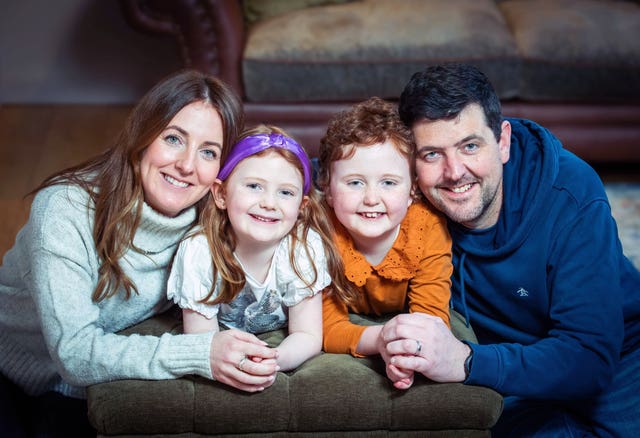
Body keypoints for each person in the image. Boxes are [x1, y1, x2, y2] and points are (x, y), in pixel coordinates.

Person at [384, 63, 640, 437]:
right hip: (514, 375)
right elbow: (337, 177)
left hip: (617, 357)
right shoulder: (407, 201)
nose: (455, 172)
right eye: (432, 155)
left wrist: (467, 361)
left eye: (470, 146)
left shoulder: (569, 191)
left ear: (502, 141)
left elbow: (590, 359)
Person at [0, 69, 245, 437]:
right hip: (15, 374)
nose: (187, 165)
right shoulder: (65, 210)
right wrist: (199, 352)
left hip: (91, 389)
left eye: (208, 151)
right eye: (174, 139)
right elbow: (75, 353)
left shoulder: (210, 221)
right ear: (142, 136)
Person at [167, 125, 355, 392]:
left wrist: (273, 360)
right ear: (221, 194)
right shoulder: (198, 250)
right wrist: (231, 362)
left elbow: (308, 334)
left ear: (301, 208)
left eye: (285, 192)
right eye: (254, 186)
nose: (269, 203)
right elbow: (202, 339)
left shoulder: (302, 246)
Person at [316, 97, 454, 390]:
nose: (371, 198)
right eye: (355, 182)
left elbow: (431, 317)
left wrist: (407, 356)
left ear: (411, 192)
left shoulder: (426, 227)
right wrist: (381, 340)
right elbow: (326, 327)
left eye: (388, 182)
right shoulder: (319, 231)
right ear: (327, 189)